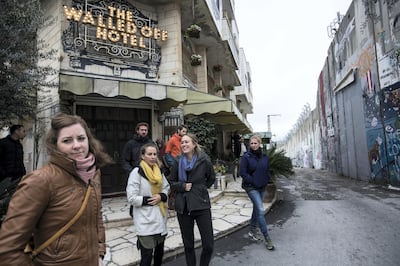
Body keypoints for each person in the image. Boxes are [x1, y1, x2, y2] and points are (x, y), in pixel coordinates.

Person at [0, 113, 113, 265]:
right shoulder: (40, 181)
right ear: (55, 145)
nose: (77, 145)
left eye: (81, 138)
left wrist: (100, 249)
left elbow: (96, 215)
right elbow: (8, 250)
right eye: (67, 140)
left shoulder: (93, 173)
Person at [169, 133, 216, 266]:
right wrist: (183, 186)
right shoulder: (177, 161)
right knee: (188, 246)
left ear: (194, 144)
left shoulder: (204, 159)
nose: (183, 144)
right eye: (182, 142)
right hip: (183, 207)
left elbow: (211, 178)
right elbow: (171, 181)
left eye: (187, 142)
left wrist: (200, 189)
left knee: (208, 245)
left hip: (201, 205)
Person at [126, 143, 170, 266]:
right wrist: (149, 200)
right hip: (145, 220)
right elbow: (131, 197)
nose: (152, 157)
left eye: (155, 154)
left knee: (159, 253)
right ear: (142, 156)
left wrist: (161, 196)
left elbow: (166, 187)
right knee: (146, 256)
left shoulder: (158, 171)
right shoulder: (136, 173)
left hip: (160, 218)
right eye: (149, 154)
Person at [240, 134, 274, 250]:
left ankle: (252, 231)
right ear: (250, 144)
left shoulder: (264, 157)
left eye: (256, 143)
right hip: (251, 187)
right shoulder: (246, 157)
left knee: (256, 208)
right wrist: (253, 181)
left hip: (262, 186)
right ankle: (267, 237)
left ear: (260, 144)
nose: (254, 145)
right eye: (252, 143)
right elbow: (243, 173)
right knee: (260, 209)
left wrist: (266, 179)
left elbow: (267, 169)